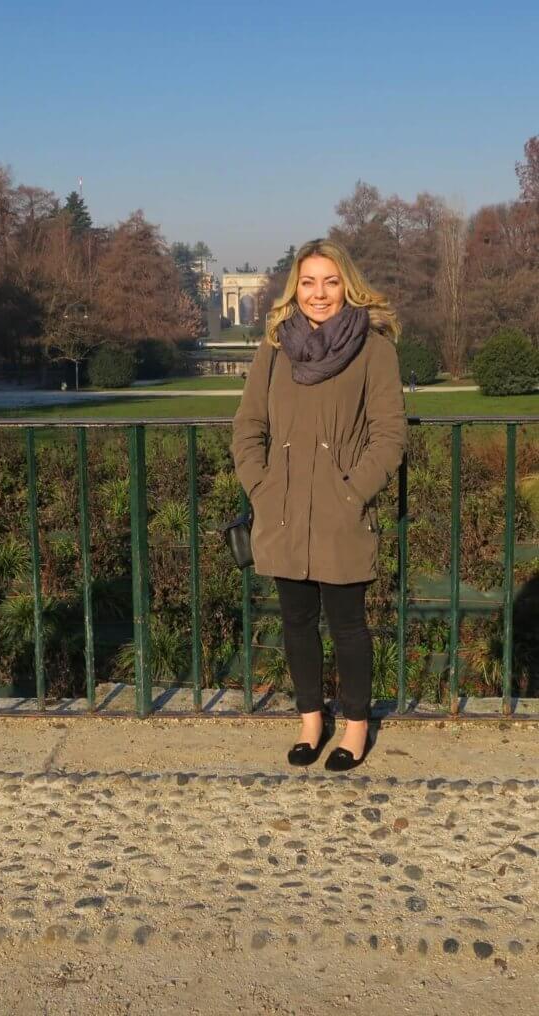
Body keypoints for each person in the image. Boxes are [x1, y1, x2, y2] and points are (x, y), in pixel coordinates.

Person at [231, 239, 406, 771]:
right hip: (282, 509)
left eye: (330, 282)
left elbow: (390, 433)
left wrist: (352, 491)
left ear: (346, 285)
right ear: (295, 288)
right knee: (296, 622)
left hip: (340, 511)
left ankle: (355, 726)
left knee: (349, 626)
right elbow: (248, 426)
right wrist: (261, 487)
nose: (319, 293)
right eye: (308, 282)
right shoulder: (276, 347)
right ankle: (311, 719)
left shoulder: (374, 347)